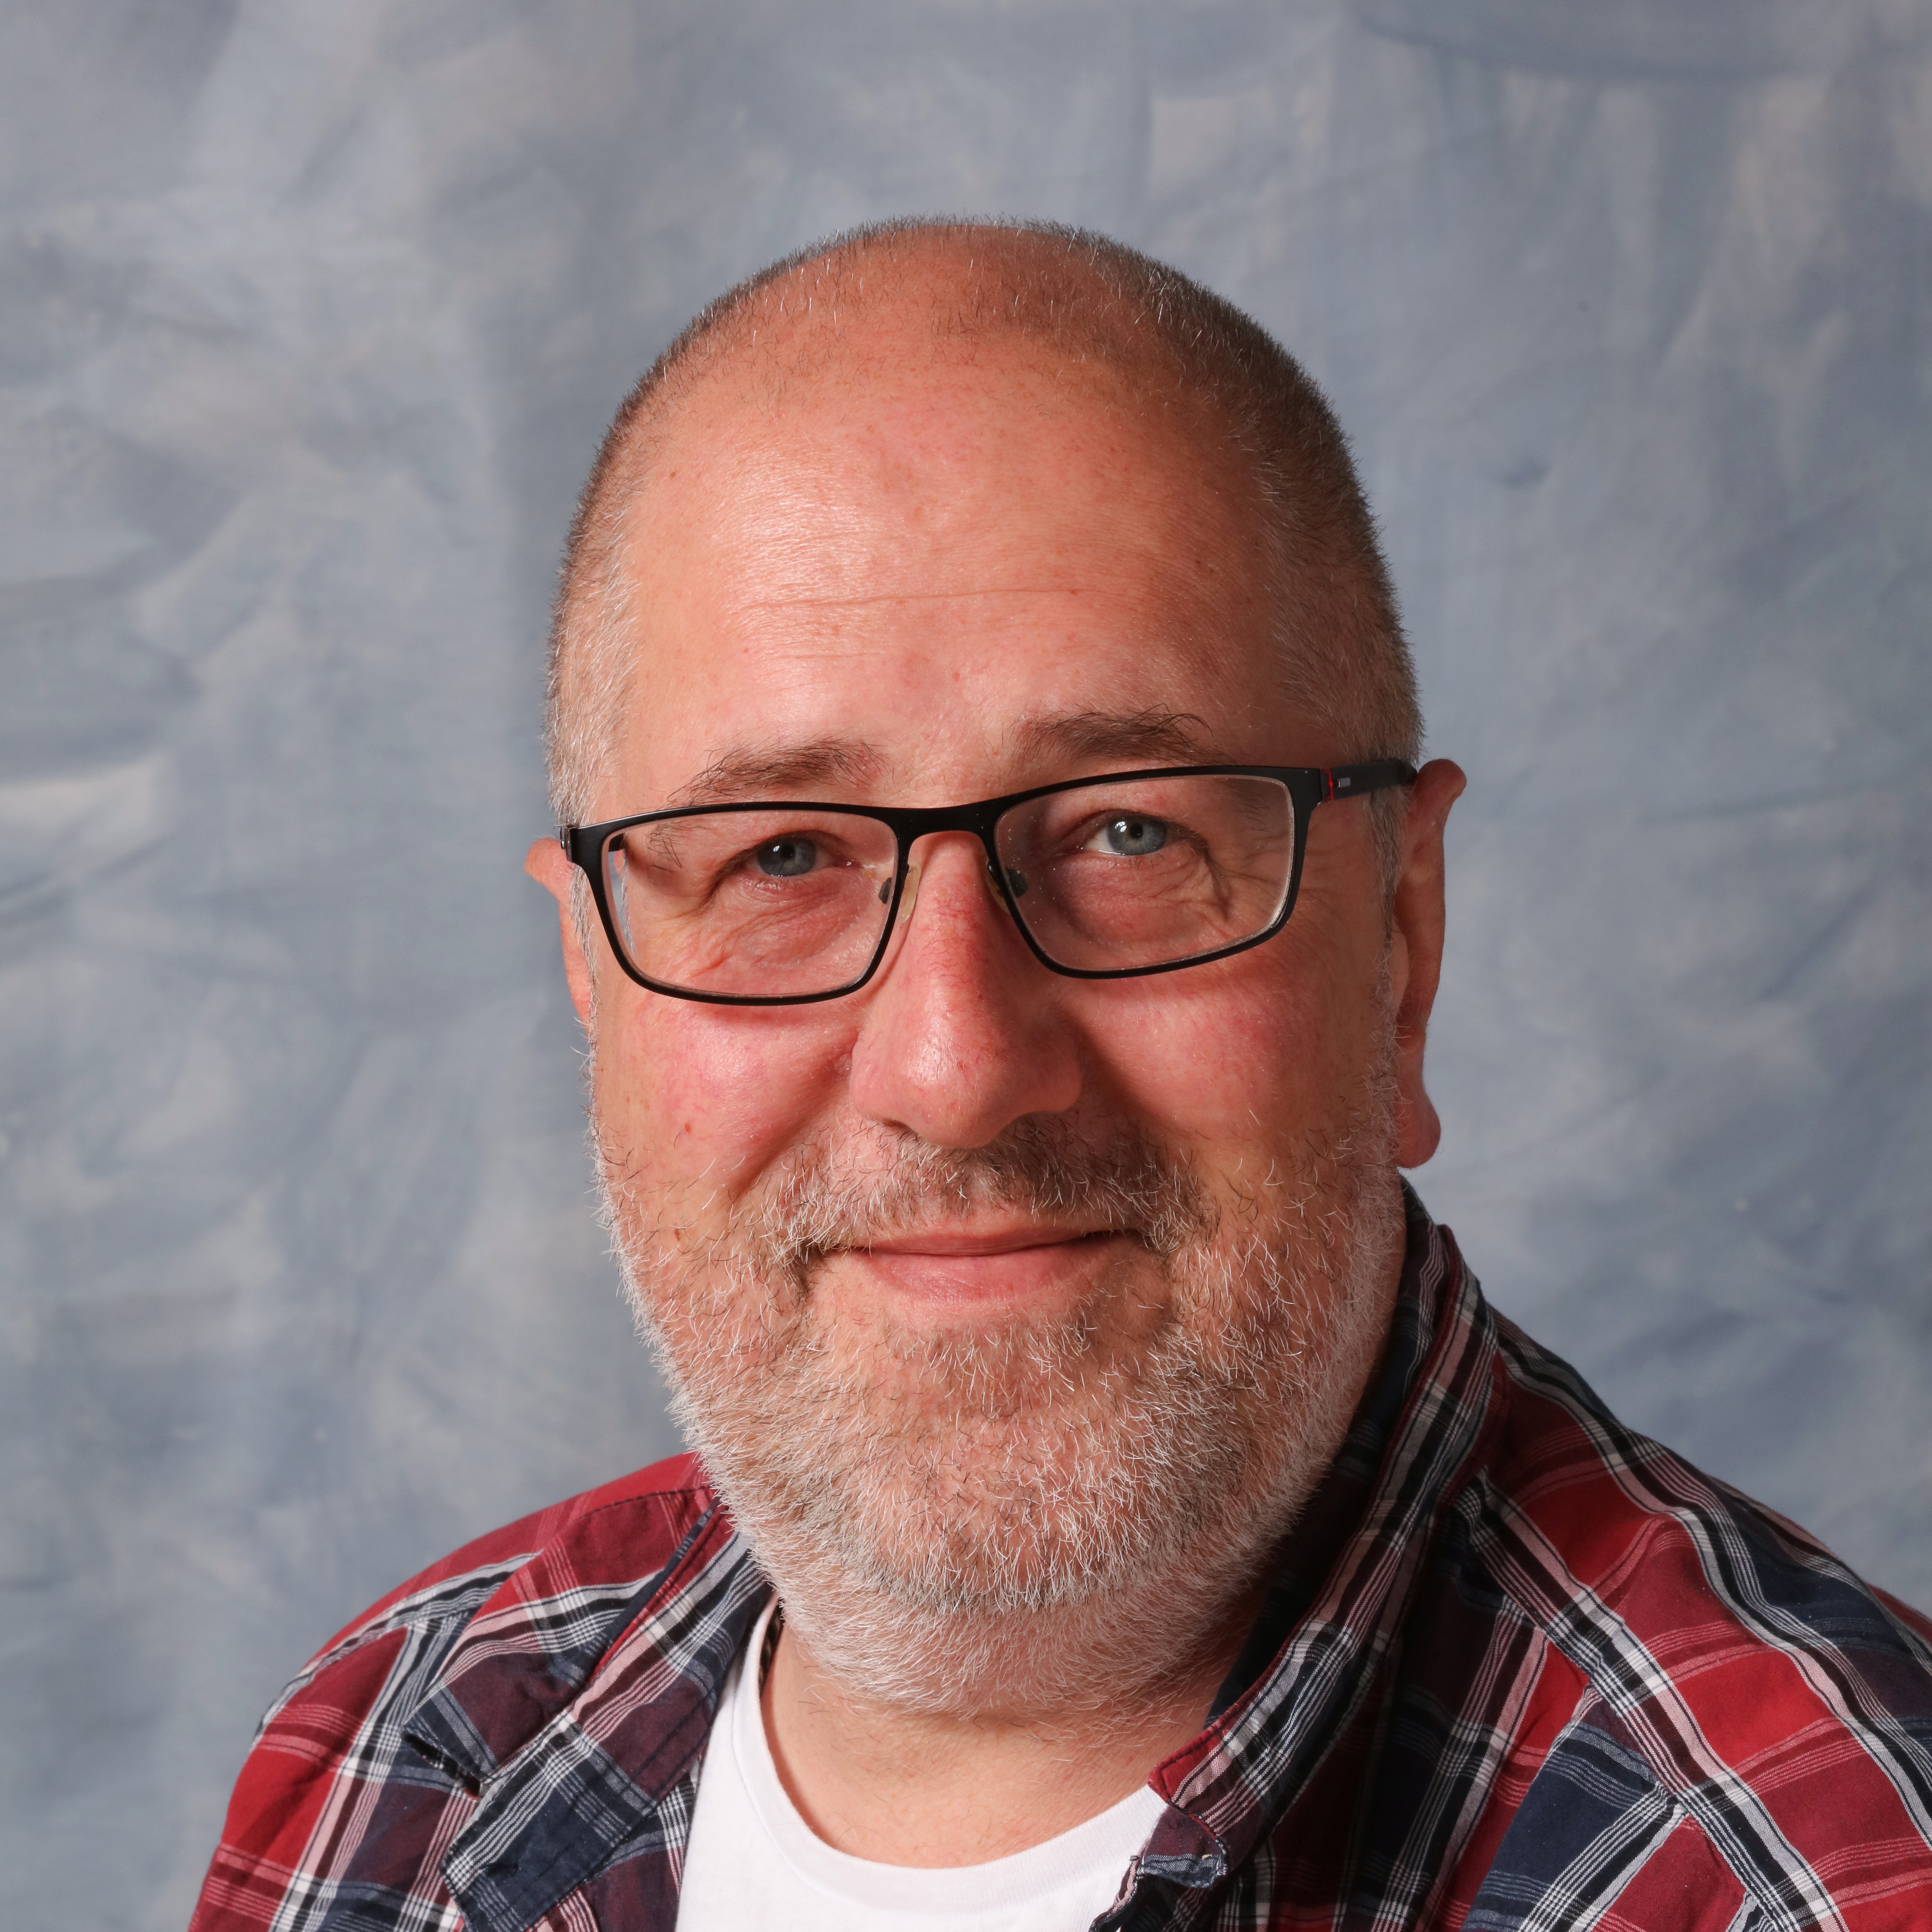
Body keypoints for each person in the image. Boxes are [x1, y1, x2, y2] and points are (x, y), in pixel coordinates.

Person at [190, 221, 1932, 1932]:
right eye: (782, 855)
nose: (955, 1067)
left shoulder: (1806, 1877)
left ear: (1398, 944)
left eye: (1128, 833)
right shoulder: (396, 1756)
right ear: (592, 974)